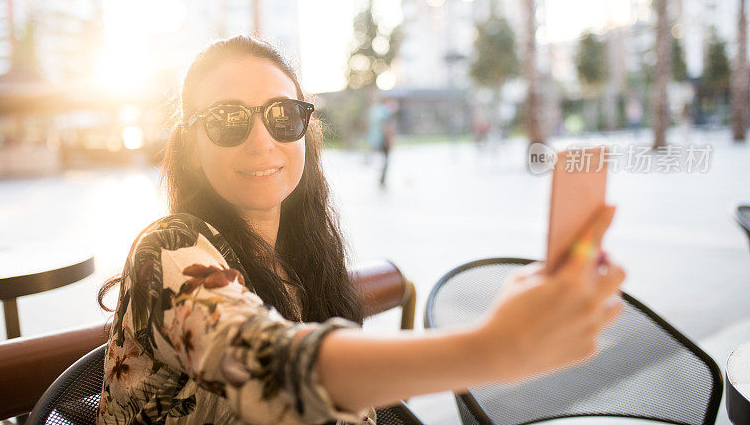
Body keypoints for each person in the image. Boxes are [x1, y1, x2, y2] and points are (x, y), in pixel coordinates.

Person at [97, 35, 625, 425]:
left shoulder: (302, 258)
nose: (261, 142)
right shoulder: (167, 249)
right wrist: (496, 347)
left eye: (282, 115)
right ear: (190, 144)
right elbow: (268, 364)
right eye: (229, 119)